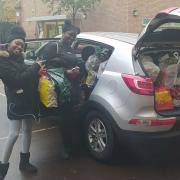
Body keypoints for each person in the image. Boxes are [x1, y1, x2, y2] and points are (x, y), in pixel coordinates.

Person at [0, 25, 44, 180]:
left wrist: (38, 73)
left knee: (27, 130)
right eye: (16, 43)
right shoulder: (2, 61)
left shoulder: (19, 59)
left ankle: (24, 162)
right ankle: (2, 168)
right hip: (16, 103)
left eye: (21, 44)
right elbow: (16, 80)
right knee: (13, 134)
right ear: (9, 43)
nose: (19, 46)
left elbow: (28, 77)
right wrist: (35, 68)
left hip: (28, 100)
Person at [38, 20, 84, 159]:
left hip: (73, 87)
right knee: (65, 119)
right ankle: (67, 148)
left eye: (74, 37)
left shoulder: (71, 49)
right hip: (60, 88)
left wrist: (77, 71)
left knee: (74, 117)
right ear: (63, 33)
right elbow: (42, 67)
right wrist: (66, 72)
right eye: (69, 35)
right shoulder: (54, 46)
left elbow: (75, 65)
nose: (71, 38)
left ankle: (74, 146)